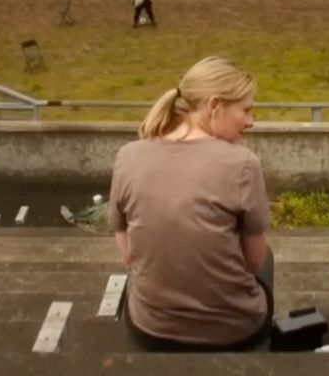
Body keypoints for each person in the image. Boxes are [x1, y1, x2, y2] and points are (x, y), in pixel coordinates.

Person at [108, 57, 271, 352]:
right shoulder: (243, 163)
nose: (251, 121)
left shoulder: (128, 155)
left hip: (150, 327)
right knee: (267, 257)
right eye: (245, 110)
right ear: (214, 106)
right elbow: (254, 263)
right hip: (233, 333)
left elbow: (130, 256)